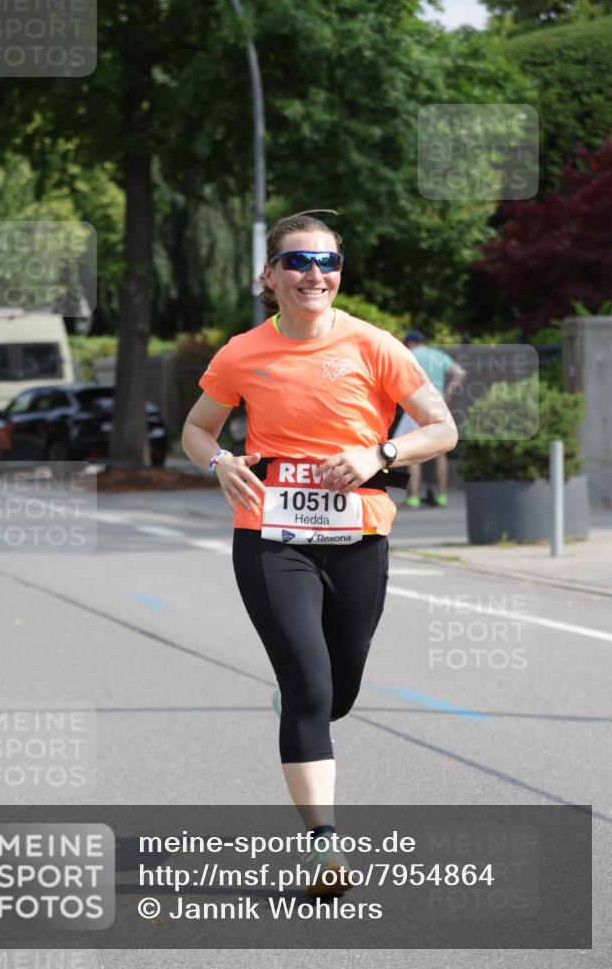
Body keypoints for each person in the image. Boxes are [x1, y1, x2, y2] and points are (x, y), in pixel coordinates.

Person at [181, 211, 458, 897]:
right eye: (298, 262)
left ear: (338, 274)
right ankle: (324, 849)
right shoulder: (242, 352)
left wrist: (380, 452)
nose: (314, 275)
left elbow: (441, 427)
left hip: (358, 535)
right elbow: (195, 427)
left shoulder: (374, 346)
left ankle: (307, 699)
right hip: (270, 535)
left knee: (338, 692)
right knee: (308, 685)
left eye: (326, 263)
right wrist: (217, 460)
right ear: (269, 276)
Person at [393, 330, 466, 508]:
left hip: (417, 403)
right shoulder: (437, 355)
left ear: (409, 342)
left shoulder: (409, 355)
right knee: (441, 453)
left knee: (413, 451)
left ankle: (414, 497)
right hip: (438, 402)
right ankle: (442, 496)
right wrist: (448, 392)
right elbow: (460, 372)